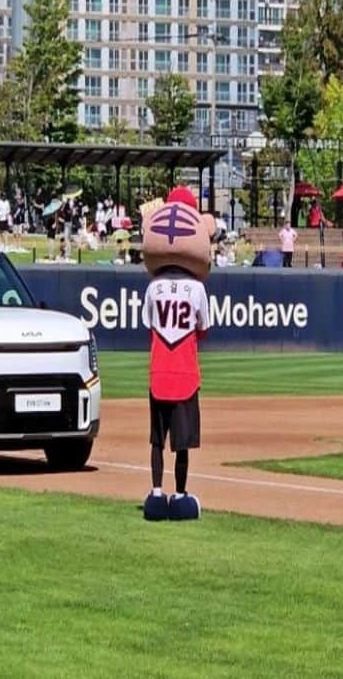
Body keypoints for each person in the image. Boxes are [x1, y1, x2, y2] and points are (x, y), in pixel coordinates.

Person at [140, 185, 216, 522]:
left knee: (157, 440)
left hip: (159, 370)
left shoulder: (153, 287)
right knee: (182, 443)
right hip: (186, 371)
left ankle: (156, 495)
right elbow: (204, 328)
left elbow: (149, 325)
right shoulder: (198, 288)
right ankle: (181, 496)